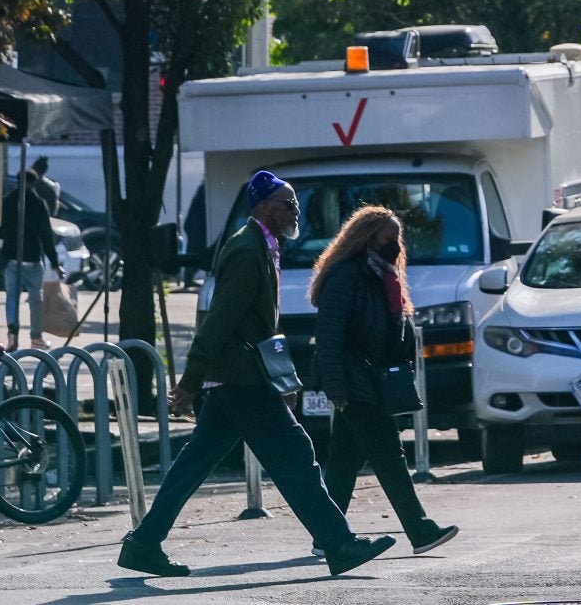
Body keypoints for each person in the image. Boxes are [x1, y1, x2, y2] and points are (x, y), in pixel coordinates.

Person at [119, 171, 395, 580]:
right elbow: (219, 322)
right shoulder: (248, 252)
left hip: (242, 377)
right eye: (288, 203)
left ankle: (144, 543)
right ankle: (338, 544)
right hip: (241, 379)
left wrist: (283, 379)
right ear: (265, 206)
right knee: (297, 455)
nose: (295, 210)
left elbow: (260, 328)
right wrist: (190, 381)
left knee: (194, 462)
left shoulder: (262, 246)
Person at [312, 205, 458, 554]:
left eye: (397, 238)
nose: (394, 244)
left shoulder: (383, 275)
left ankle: (326, 536)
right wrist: (336, 387)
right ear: (367, 238)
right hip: (355, 382)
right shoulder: (346, 276)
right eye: (388, 238)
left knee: (345, 460)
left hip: (371, 381)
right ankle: (420, 530)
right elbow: (329, 336)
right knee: (389, 457)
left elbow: (392, 329)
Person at [0, 158, 63, 350]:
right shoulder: (38, 204)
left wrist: (9, 230)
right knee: (36, 299)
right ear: (34, 184)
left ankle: (12, 336)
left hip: (11, 258)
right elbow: (46, 236)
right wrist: (55, 263)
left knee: (12, 297)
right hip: (33, 260)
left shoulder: (8, 201)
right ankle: (36, 338)